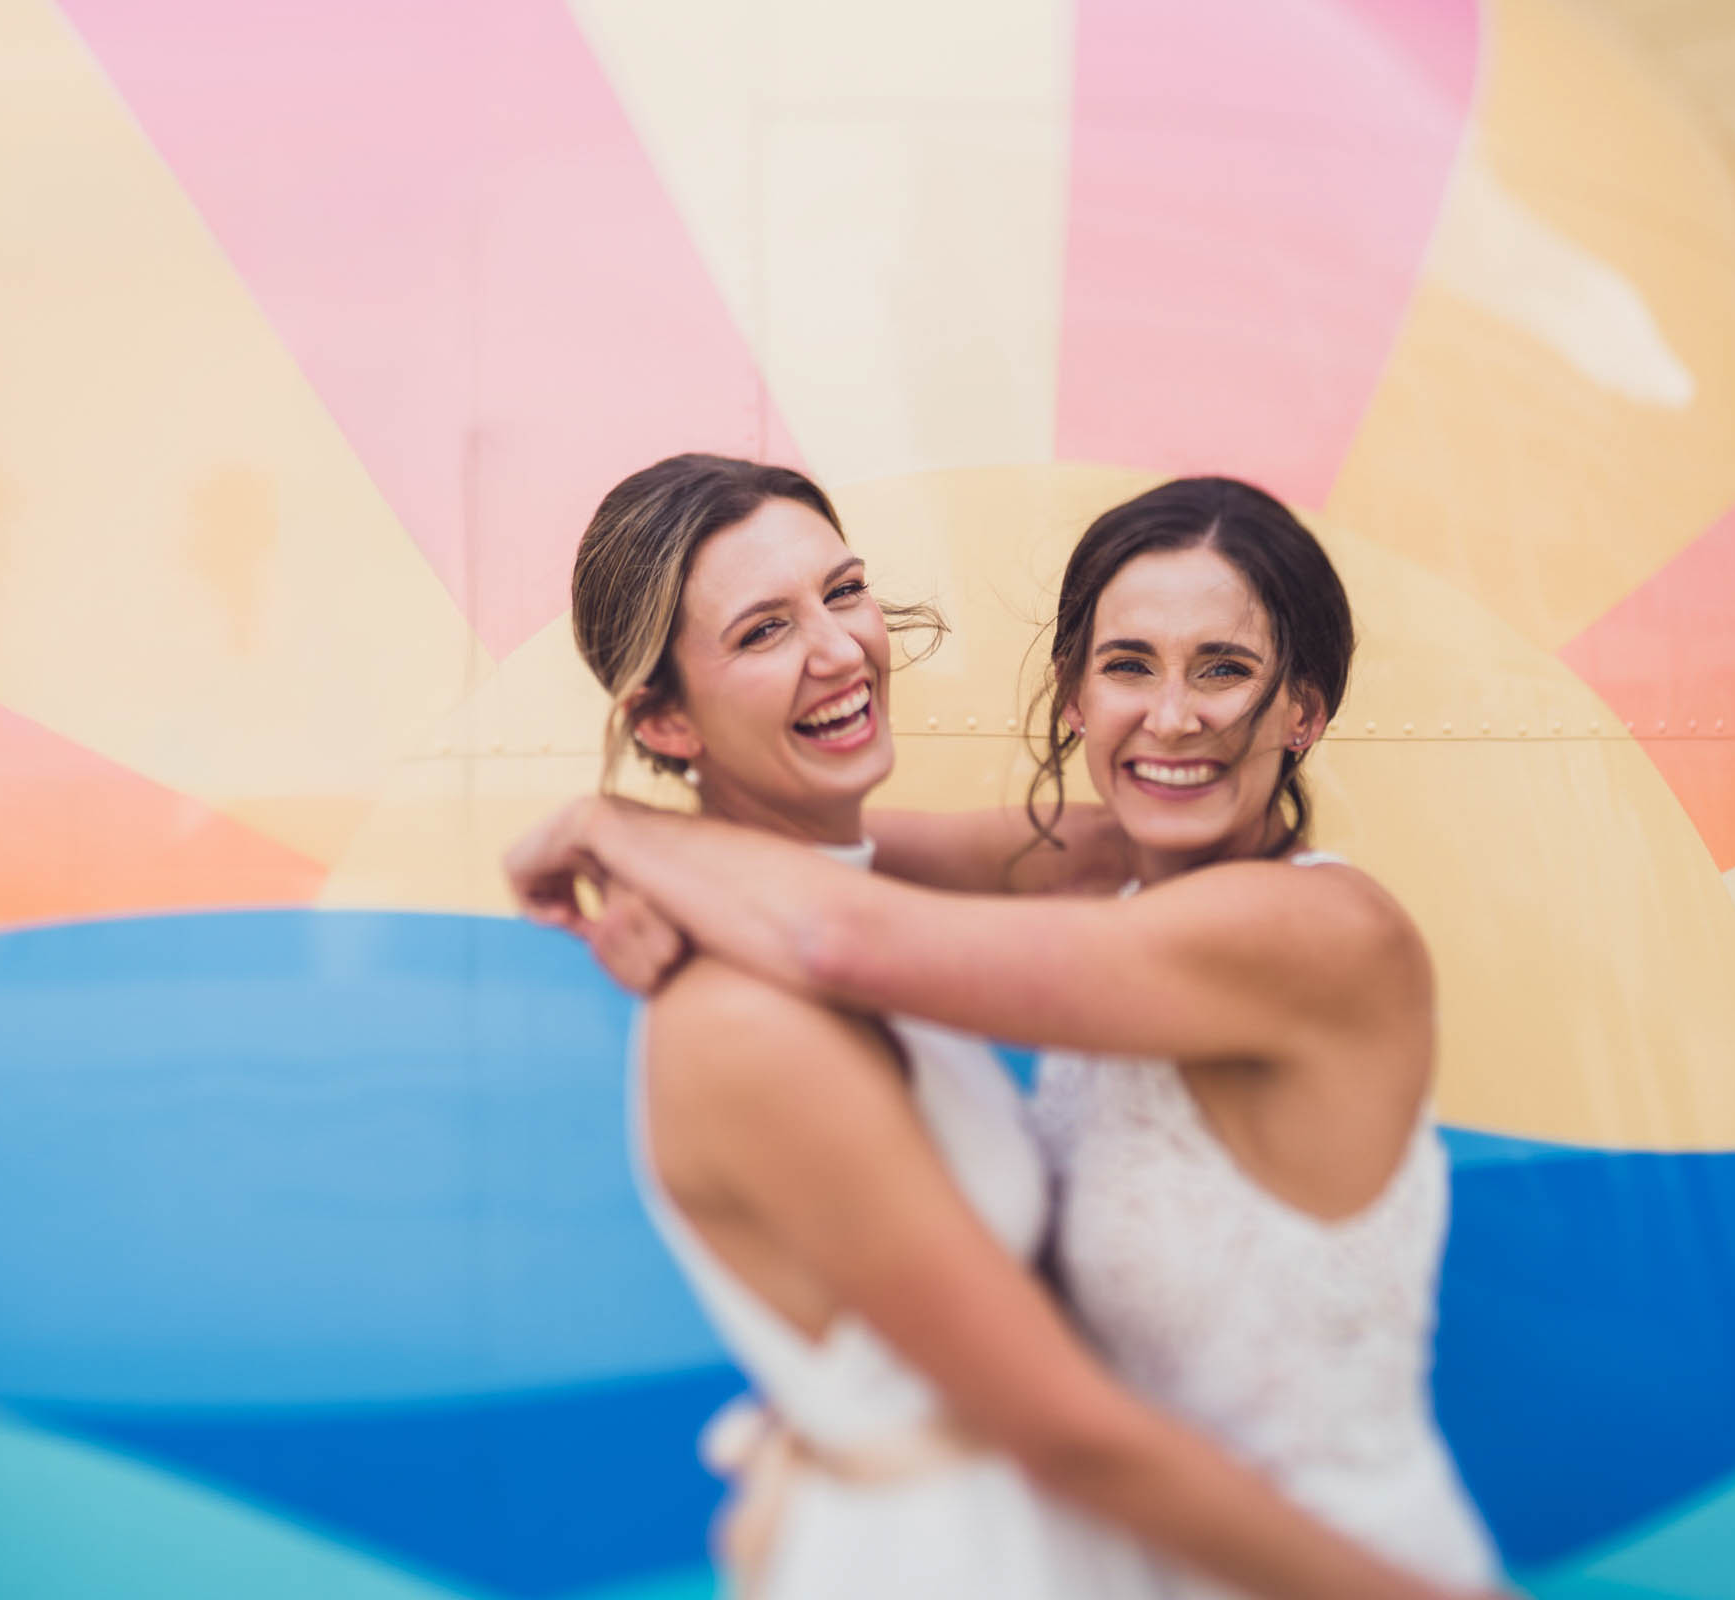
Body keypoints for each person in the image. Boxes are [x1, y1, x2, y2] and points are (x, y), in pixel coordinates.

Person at [526, 455, 1496, 1599]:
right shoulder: (1080, 879)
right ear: (1073, 696)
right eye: (1127, 666)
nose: (1172, 717)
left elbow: (846, 914)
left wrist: (621, 826)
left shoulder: (1299, 926)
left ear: (1305, 707)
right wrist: (656, 847)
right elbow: (850, 873)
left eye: (846, 593)